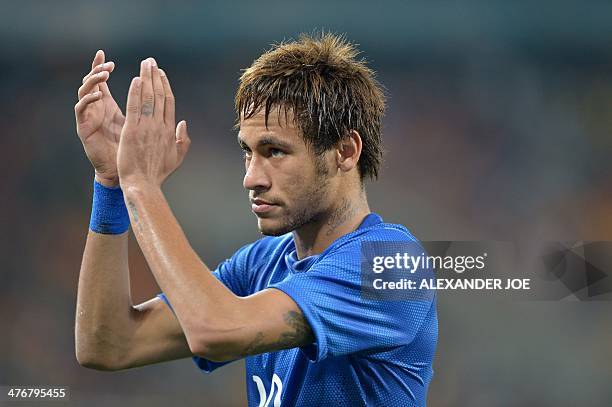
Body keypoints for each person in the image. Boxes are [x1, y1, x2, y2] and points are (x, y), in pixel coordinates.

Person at [74, 33, 438, 406]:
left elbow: (213, 330)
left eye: (275, 151)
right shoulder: (262, 264)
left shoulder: (391, 265)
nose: (251, 178)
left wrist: (141, 184)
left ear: (344, 151)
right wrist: (113, 185)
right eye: (248, 152)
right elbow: (107, 345)